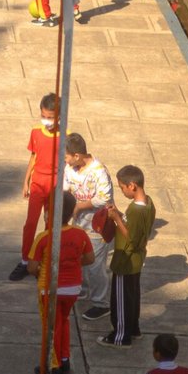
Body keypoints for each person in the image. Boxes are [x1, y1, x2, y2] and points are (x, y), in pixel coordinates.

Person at [26, 192, 94, 374]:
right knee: (63, 321)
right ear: (72, 212)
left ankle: (53, 366)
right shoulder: (80, 234)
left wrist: (42, 270)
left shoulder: (44, 237)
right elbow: (90, 258)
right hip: (73, 288)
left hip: (50, 289)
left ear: (50, 213)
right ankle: (65, 359)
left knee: (51, 327)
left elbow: (31, 267)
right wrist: (72, 263)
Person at [97, 164, 154, 347]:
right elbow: (135, 226)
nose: (122, 191)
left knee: (120, 300)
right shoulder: (148, 203)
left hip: (126, 261)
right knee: (132, 297)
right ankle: (133, 328)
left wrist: (116, 219)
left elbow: (132, 238)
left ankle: (120, 336)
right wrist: (119, 214)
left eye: (122, 187)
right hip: (136, 259)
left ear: (132, 186)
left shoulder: (135, 210)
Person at [7, 92, 62, 281]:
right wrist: (26, 180)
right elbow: (33, 156)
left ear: (59, 116)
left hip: (55, 184)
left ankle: (44, 260)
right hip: (38, 182)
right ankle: (25, 260)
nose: (46, 120)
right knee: (30, 223)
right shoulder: (36, 132)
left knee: (50, 224)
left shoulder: (66, 136)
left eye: (50, 117)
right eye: (43, 116)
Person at [63, 134, 115, 316]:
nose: (65, 160)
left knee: (95, 266)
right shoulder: (70, 168)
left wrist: (79, 206)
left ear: (77, 155)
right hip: (78, 224)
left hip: (97, 226)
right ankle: (82, 289)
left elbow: (104, 198)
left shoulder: (98, 171)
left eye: (66, 156)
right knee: (80, 258)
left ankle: (101, 303)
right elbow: (65, 188)